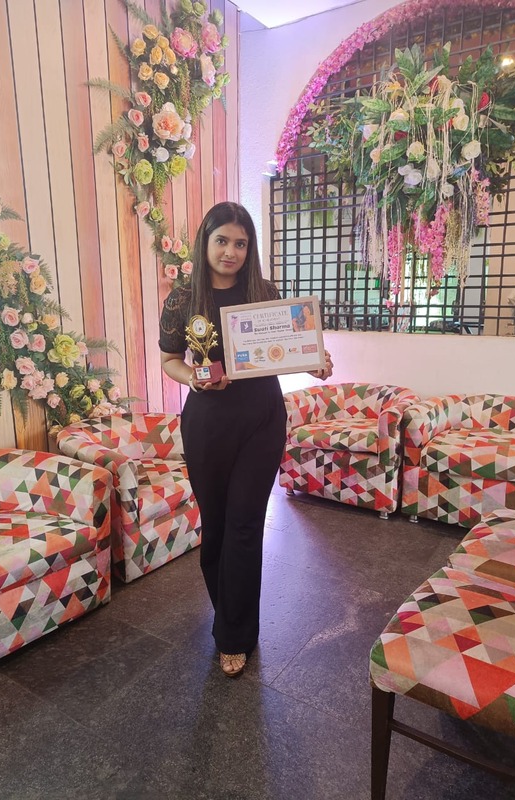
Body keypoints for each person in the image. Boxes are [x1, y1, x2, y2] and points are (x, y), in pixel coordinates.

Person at [158, 202, 333, 677]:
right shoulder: (182, 300)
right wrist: (194, 379)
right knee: (216, 528)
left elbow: (284, 348)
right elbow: (170, 360)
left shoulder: (264, 292)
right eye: (222, 241)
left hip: (261, 420)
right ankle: (228, 615)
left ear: (249, 247)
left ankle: (235, 636)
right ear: (206, 242)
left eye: (240, 243)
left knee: (244, 525)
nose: (230, 252)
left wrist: (315, 361)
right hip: (208, 424)